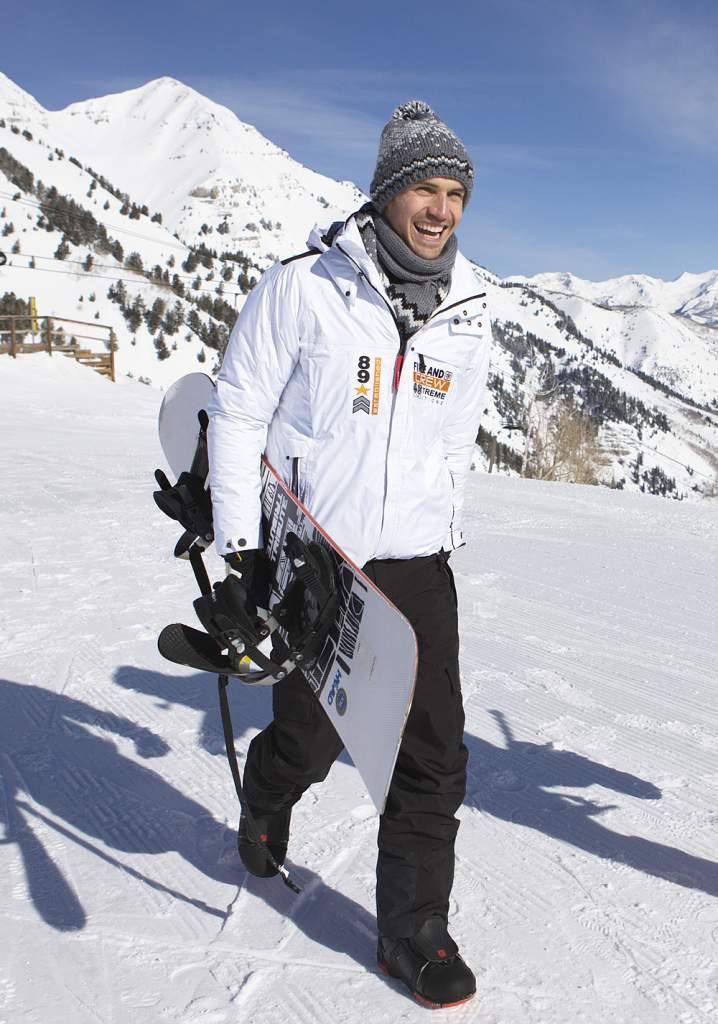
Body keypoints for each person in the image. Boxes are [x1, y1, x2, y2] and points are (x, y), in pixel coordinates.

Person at [208, 100, 493, 1009]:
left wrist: (443, 527)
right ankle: (269, 789)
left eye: (456, 193)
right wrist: (242, 548)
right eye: (426, 189)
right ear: (387, 192)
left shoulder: (471, 309)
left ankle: (414, 929)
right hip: (320, 555)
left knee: (434, 753)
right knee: (314, 732)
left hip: (417, 565)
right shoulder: (306, 287)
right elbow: (237, 411)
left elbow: (454, 440)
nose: (441, 210)